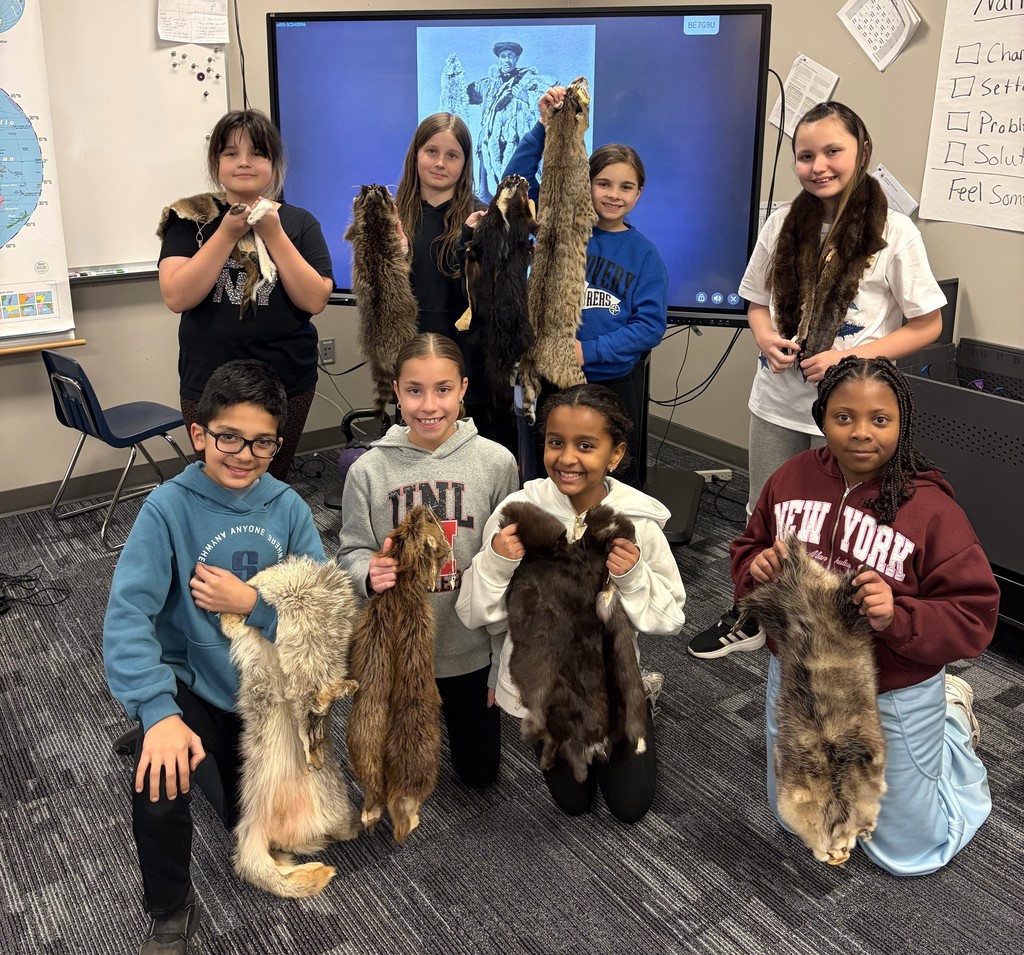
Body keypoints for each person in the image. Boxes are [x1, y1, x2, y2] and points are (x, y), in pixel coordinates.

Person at [103, 360, 327, 955]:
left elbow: (323, 615)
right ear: (199, 432)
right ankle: (170, 913)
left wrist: (250, 604)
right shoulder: (166, 508)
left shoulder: (287, 509)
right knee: (161, 779)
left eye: (261, 442)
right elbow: (126, 620)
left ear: (278, 444)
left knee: (257, 825)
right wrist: (157, 711)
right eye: (228, 436)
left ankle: (183, 742)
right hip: (188, 684)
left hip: (260, 691)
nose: (244, 454)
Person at [688, 100, 946, 658]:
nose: (818, 165)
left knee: (846, 523)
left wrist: (851, 359)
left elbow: (929, 323)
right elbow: (756, 301)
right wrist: (763, 337)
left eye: (833, 151)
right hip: (777, 401)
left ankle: (836, 624)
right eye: (806, 155)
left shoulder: (893, 232)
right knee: (769, 514)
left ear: (861, 152)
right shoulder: (783, 221)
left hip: (852, 410)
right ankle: (752, 614)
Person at [732, 355, 999, 874]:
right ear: (821, 419)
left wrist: (895, 615)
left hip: (891, 684)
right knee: (796, 819)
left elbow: (974, 615)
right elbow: (748, 548)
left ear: (903, 423)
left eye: (880, 419)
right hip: (799, 676)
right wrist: (757, 566)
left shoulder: (931, 510)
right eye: (843, 417)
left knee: (909, 855)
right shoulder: (791, 478)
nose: (860, 433)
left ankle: (951, 724)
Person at [456, 384, 686, 822]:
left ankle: (642, 703)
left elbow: (670, 617)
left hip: (614, 686)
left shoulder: (637, 523)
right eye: (555, 442)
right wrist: (497, 564)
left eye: (586, 445)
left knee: (630, 807)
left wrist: (633, 576)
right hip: (548, 693)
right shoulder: (517, 513)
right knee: (573, 804)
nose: (567, 458)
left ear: (615, 455)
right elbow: (473, 613)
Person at [336, 332, 520, 791]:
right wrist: (366, 572)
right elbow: (352, 550)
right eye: (414, 390)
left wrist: (502, 665)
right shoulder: (368, 472)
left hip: (470, 650)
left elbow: (512, 571)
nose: (428, 405)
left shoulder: (496, 463)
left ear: (463, 389)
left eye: (442, 390)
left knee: (479, 776)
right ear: (396, 392)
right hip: (401, 652)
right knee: (402, 773)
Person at [503, 86, 669, 487]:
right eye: (604, 183)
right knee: (554, 471)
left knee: (611, 475)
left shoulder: (644, 255)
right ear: (585, 183)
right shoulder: (559, 221)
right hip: (553, 381)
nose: (613, 195)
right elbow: (515, 185)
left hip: (610, 382)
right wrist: (543, 130)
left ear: (638, 193)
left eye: (625, 187)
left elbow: (650, 326)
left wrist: (587, 350)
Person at [158, 109, 334, 481]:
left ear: (274, 163)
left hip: (286, 380)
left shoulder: (300, 222)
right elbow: (177, 296)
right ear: (216, 162)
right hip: (207, 379)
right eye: (231, 153)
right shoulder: (189, 218)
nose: (244, 162)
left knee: (272, 475)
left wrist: (273, 233)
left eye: (257, 153)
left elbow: (314, 300)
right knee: (215, 479)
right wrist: (225, 233)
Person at [394, 113, 515, 453]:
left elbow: (494, 297)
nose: (440, 163)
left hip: (470, 360)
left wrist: (474, 243)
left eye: (452, 155)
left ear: (465, 163)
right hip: (412, 359)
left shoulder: (482, 218)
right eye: (431, 152)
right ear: (415, 154)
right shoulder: (390, 218)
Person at [466, 42, 553, 201]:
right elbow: (464, 95)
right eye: (503, 56)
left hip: (516, 140)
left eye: (510, 56)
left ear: (517, 58)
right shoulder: (487, 84)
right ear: (499, 59)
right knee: (486, 191)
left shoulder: (529, 81)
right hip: (490, 142)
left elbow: (546, 106)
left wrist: (525, 97)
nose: (507, 60)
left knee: (516, 193)